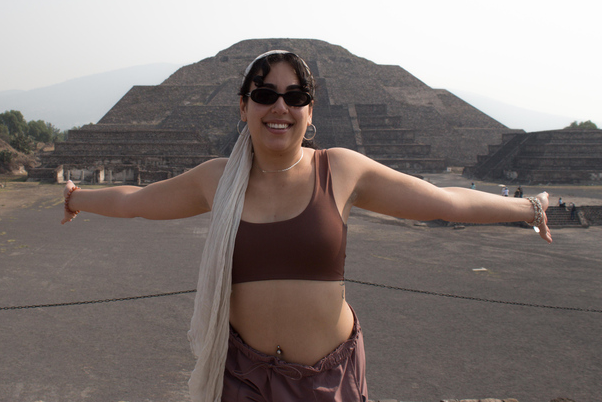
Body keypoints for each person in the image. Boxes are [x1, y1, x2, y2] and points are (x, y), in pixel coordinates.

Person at [60, 50, 552, 402]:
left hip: (328, 379)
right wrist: (80, 198)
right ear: (244, 105)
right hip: (244, 378)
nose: (280, 107)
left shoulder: (339, 169)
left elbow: (445, 202)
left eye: (295, 96)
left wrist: (528, 208)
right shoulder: (217, 179)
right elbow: (139, 202)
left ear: (310, 111)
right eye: (265, 94)